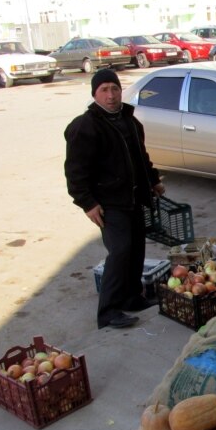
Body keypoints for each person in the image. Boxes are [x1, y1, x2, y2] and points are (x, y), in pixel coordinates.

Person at [64, 68, 165, 329]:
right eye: (104, 90)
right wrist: (87, 203)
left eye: (115, 88)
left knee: (136, 249)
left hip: (133, 197)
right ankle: (107, 311)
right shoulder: (84, 126)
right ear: (95, 94)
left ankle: (132, 297)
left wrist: (152, 180)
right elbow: (75, 171)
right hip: (108, 201)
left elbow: (141, 157)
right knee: (119, 251)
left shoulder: (130, 121)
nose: (111, 95)